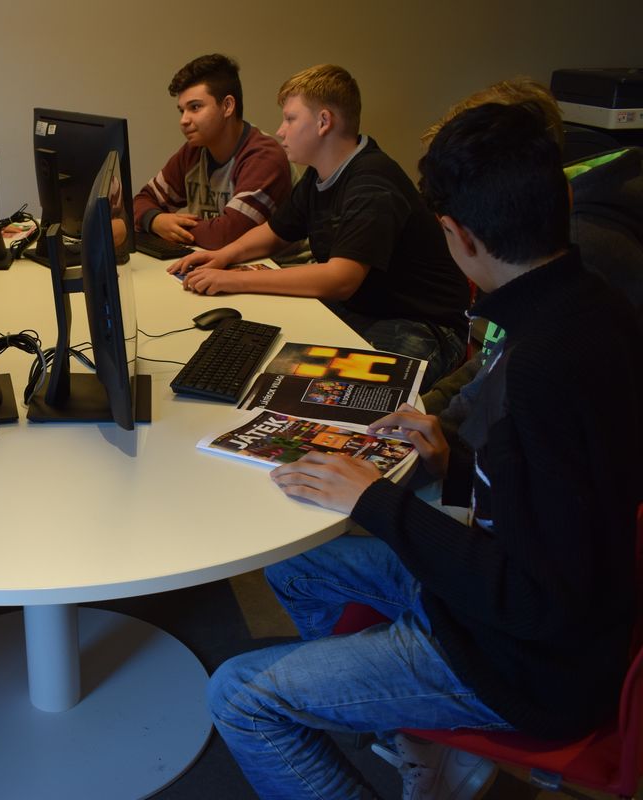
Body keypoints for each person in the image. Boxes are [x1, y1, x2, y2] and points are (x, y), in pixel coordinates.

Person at [205, 103, 642, 799]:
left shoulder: (544, 366)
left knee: (239, 697)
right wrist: (455, 465)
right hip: (515, 606)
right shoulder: (594, 308)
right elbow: (556, 504)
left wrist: (375, 502)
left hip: (519, 662)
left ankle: (400, 700)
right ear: (561, 197)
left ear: (456, 235)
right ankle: (397, 717)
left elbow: (536, 599)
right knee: (294, 568)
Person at [170, 64, 470, 388]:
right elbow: (275, 232)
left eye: (290, 119)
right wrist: (223, 256)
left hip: (421, 324)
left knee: (340, 395)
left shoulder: (372, 183)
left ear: (324, 122)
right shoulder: (320, 174)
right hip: (366, 309)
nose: (281, 130)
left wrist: (234, 280)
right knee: (271, 361)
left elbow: (340, 279)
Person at [419, 78, 643, 436]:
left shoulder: (582, 256)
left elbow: (510, 422)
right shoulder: (545, 258)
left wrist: (440, 442)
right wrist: (428, 409)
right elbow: (493, 358)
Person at [133, 53, 291, 249]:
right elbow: (142, 200)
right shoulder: (193, 151)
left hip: (279, 264)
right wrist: (155, 220)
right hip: (217, 259)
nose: (184, 120)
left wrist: (171, 228)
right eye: (182, 110)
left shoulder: (264, 157)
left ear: (227, 106)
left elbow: (227, 236)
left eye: (195, 107)